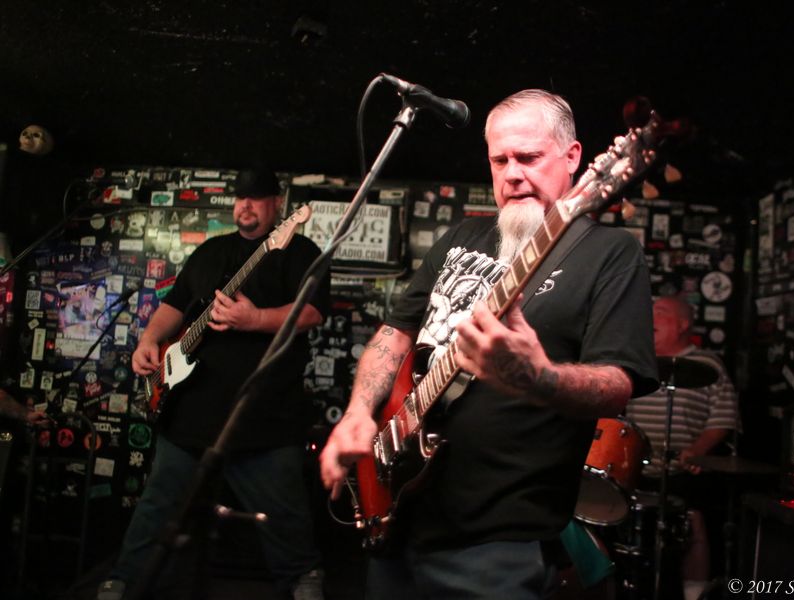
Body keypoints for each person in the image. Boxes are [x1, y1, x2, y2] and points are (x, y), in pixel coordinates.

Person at [319, 89, 658, 599]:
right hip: (402, 517)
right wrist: (358, 413)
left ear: (573, 158)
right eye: (500, 160)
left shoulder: (610, 254)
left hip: (498, 543)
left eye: (529, 157)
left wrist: (537, 376)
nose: (512, 173)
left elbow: (617, 384)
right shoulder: (461, 237)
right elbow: (396, 332)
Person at [98, 168, 329, 600]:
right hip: (190, 412)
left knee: (285, 512)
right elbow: (174, 306)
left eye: (256, 198)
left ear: (277, 204)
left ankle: (303, 578)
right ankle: (126, 578)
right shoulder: (210, 251)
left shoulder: (298, 250)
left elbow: (312, 313)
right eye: (240, 198)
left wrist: (255, 318)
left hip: (264, 414)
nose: (246, 205)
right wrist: (149, 340)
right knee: (157, 504)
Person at [625, 294, 739, 600]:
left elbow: (724, 418)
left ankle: (693, 594)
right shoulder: (638, 361)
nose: (650, 318)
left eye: (659, 312)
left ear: (683, 324)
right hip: (634, 466)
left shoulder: (708, 364)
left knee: (692, 522)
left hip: (683, 469)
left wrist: (698, 450)